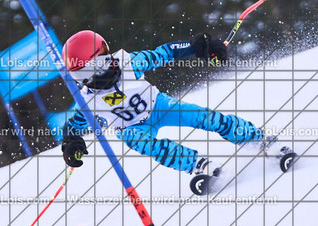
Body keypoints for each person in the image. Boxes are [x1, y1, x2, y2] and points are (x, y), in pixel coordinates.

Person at [60, 30, 279, 176]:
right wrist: (72, 143)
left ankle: (257, 140)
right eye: (81, 75)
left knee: (206, 118)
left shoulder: (129, 63)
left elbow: (164, 53)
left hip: (159, 106)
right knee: (147, 144)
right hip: (131, 129)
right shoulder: (87, 100)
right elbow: (72, 128)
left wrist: (198, 47)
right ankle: (197, 165)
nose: (89, 79)